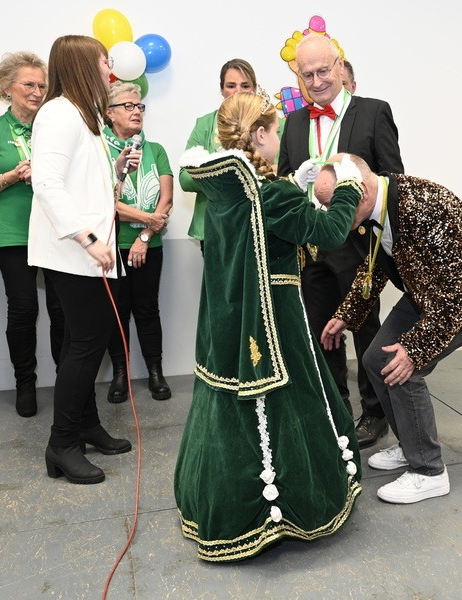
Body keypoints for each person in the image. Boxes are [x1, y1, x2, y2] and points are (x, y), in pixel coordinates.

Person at [174, 92, 364, 561]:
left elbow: (264, 230)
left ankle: (219, 504)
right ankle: (280, 509)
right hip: (275, 315)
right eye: (275, 131)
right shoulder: (271, 194)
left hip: (229, 316)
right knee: (288, 400)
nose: (280, 138)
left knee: (231, 406)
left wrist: (294, 189)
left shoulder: (227, 190)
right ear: (259, 135)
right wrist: (347, 185)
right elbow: (329, 230)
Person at [317, 155, 462, 504]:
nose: (328, 216)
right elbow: (376, 265)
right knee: (376, 358)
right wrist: (347, 314)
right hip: (428, 290)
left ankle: (429, 471)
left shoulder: (425, 206)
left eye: (332, 205)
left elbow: (461, 291)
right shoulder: (372, 210)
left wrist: (415, 347)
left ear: (359, 192)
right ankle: (412, 445)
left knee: (400, 365)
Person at [278, 33, 405, 450]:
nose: (316, 81)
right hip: (312, 250)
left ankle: (375, 412)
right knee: (322, 334)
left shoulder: (372, 112)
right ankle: (335, 410)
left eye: (322, 70)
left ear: (339, 66)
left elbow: (393, 179)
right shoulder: (293, 123)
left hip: (360, 249)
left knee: (368, 332)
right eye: (307, 74)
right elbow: (284, 182)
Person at [28, 35, 134, 484]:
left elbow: (80, 185)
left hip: (86, 253)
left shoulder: (82, 115)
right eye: (104, 61)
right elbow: (48, 184)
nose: (110, 68)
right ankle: (62, 443)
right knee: (85, 345)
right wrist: (88, 237)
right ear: (82, 65)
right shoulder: (57, 113)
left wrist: (117, 172)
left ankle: (85, 426)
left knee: (83, 342)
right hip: (73, 253)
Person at [0, 51, 64, 418]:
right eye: (29, 84)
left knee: (61, 308)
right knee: (24, 308)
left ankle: (66, 382)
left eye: (42, 85)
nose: (37, 91)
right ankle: (26, 382)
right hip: (11, 231)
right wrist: (12, 176)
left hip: (55, 229)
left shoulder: (52, 126)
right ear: (8, 88)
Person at [103, 81, 173, 403]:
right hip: (112, 246)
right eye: (128, 106)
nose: (136, 111)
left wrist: (145, 236)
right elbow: (106, 202)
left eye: (139, 106)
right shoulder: (101, 152)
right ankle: (120, 375)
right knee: (118, 311)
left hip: (150, 246)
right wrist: (147, 220)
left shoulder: (155, 150)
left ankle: (155, 373)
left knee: (148, 309)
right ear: (110, 113)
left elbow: (167, 199)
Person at [179, 58, 257, 255]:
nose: (238, 91)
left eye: (245, 85)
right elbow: (185, 178)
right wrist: (230, 177)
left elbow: (278, 172)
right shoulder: (205, 124)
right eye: (231, 85)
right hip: (214, 228)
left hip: (257, 228)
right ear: (222, 90)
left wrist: (212, 173)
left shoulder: (273, 124)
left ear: (254, 89)